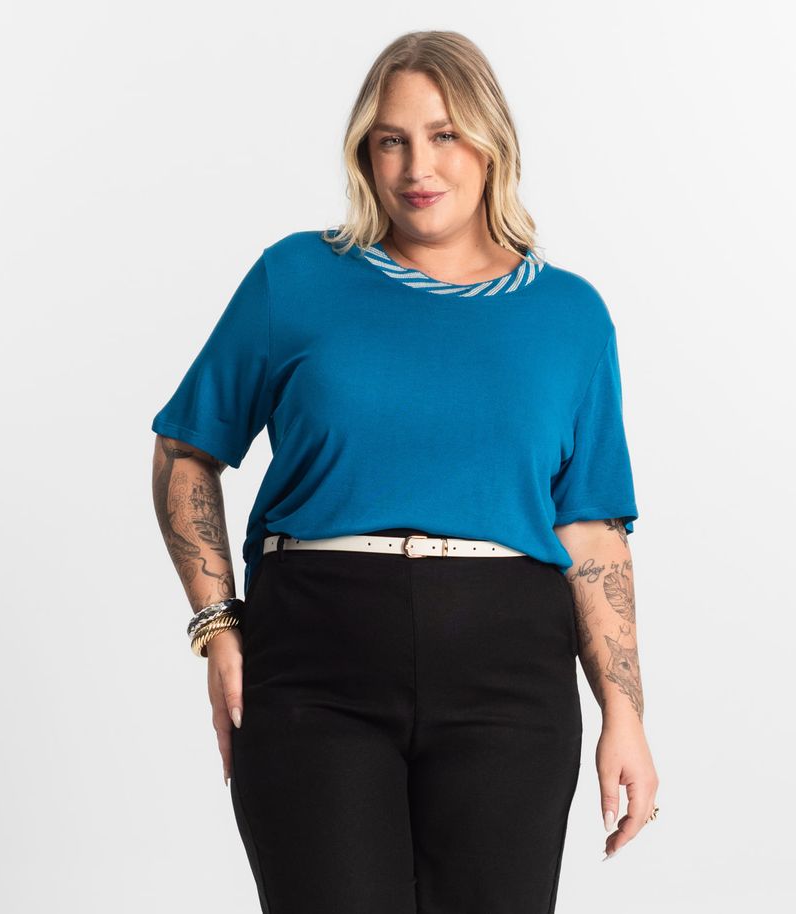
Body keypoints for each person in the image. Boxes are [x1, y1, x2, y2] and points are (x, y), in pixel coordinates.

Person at [151, 29, 659, 914]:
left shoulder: (571, 315)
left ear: (491, 142)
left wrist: (625, 714)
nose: (418, 166)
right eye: (392, 140)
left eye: (444, 135)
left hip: (510, 675)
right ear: (365, 152)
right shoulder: (296, 277)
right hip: (315, 662)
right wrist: (217, 622)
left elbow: (591, 529)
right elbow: (186, 450)